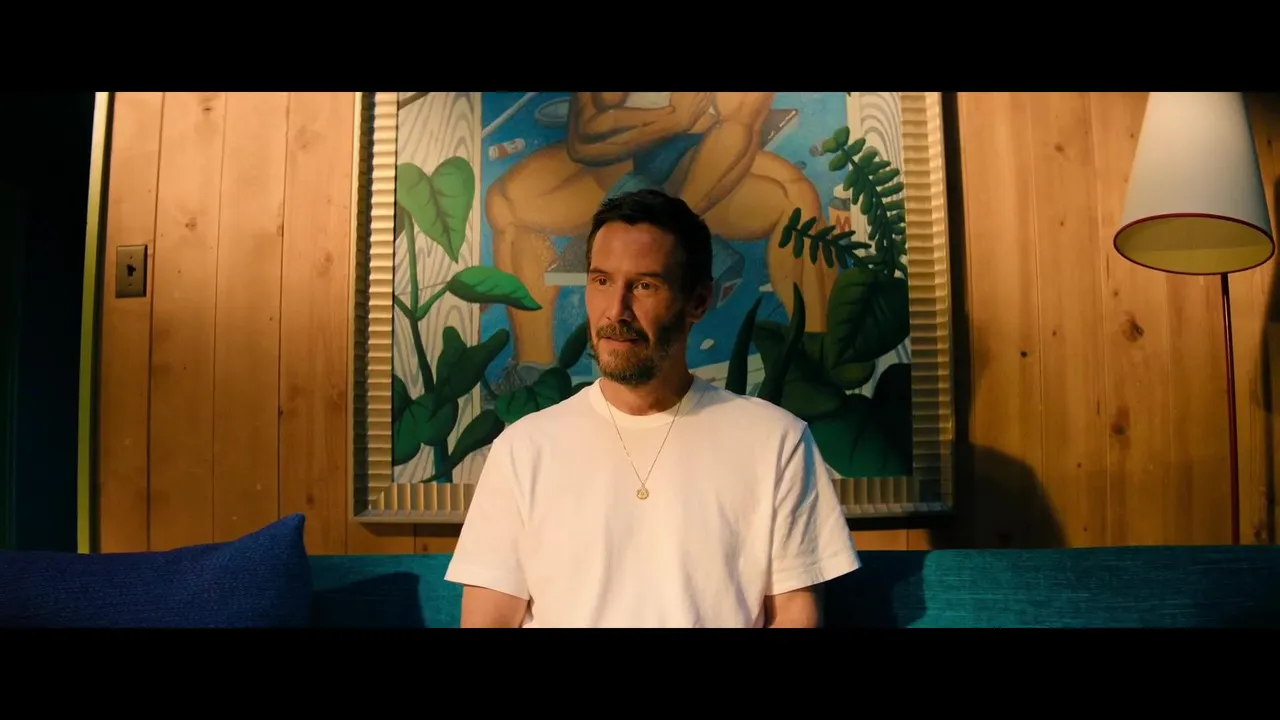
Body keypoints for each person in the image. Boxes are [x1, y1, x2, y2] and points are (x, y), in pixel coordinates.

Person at [444, 188, 859, 627]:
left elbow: (796, 614)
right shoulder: (524, 448)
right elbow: (488, 620)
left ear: (698, 301)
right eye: (601, 281)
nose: (616, 310)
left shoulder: (776, 441)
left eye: (644, 285)